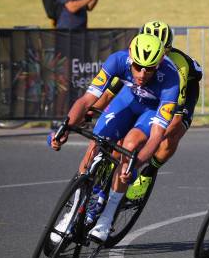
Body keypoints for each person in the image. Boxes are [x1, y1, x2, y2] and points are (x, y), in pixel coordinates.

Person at [49, 34, 180, 242]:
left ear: (160, 63)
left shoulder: (171, 80)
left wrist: (135, 165)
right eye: (138, 67)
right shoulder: (117, 60)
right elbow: (86, 101)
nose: (143, 73)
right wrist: (65, 127)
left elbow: (156, 136)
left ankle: (107, 218)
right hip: (128, 100)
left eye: (150, 68)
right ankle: (71, 213)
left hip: (151, 110)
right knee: (96, 142)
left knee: (130, 147)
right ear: (130, 57)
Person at [93, 21, 203, 200]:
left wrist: (151, 139)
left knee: (169, 136)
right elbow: (107, 95)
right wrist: (91, 113)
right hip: (146, 94)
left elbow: (173, 116)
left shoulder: (177, 66)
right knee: (121, 126)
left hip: (179, 95)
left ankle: (148, 173)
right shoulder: (135, 61)